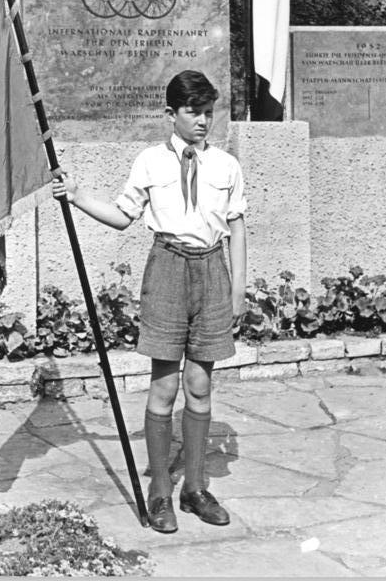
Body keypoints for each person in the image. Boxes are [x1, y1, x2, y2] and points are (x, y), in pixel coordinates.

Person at [52, 70, 247, 533]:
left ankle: (195, 488)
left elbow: (236, 226)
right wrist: (76, 195)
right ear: (170, 115)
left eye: (207, 112)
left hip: (213, 272)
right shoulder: (149, 162)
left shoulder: (226, 165)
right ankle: (160, 489)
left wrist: (238, 288)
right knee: (164, 386)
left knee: (200, 384)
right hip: (167, 269)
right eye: (192, 112)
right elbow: (122, 216)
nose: (202, 121)